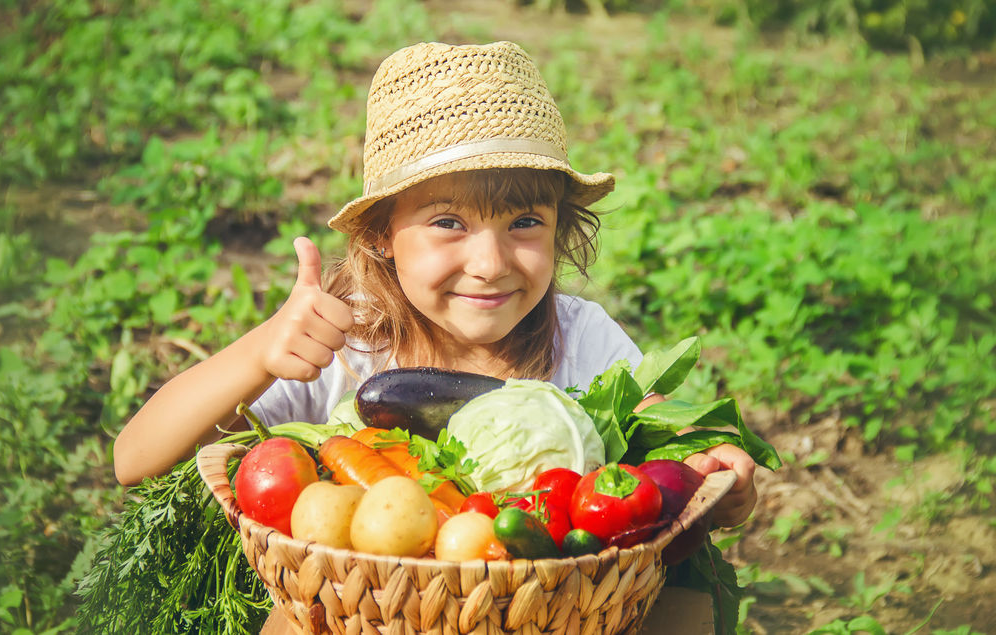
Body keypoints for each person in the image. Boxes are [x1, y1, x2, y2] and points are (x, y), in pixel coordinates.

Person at [114, 36, 755, 553]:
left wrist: (716, 474)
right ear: (381, 234)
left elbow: (674, 441)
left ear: (561, 228)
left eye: (524, 222)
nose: (490, 265)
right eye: (449, 222)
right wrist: (260, 352)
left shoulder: (582, 340)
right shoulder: (347, 349)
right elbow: (134, 458)